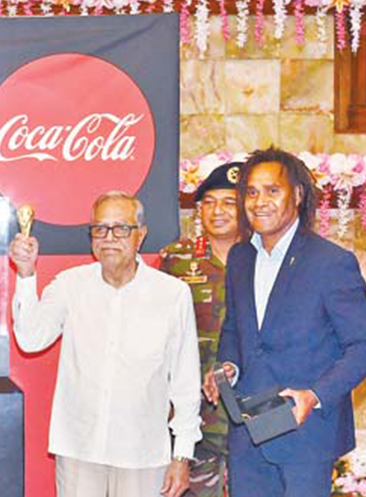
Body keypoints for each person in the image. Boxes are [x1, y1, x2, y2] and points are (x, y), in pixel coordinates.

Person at [207, 149, 366, 497]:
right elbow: (235, 329)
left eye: (272, 190)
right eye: (252, 192)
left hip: (307, 435)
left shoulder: (331, 262)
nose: (260, 202)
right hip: (248, 433)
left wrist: (315, 395)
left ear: (298, 195)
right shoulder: (241, 257)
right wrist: (227, 366)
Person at [10, 191, 201, 497]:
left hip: (143, 451)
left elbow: (186, 381)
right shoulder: (70, 285)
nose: (109, 237)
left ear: (141, 235)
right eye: (100, 229)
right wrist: (26, 274)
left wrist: (182, 454)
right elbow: (31, 339)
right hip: (79, 448)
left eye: (121, 228)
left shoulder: (172, 294)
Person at [156, 161, 244, 496]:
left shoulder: (260, 257)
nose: (217, 211)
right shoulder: (177, 259)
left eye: (228, 202)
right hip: (192, 407)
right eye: (208, 202)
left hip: (247, 402)